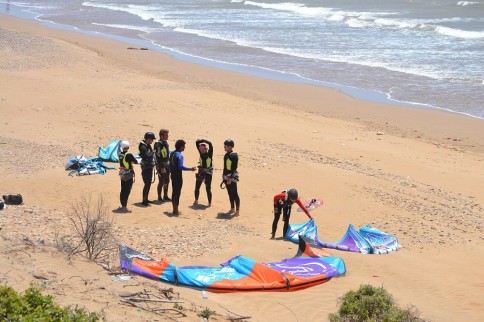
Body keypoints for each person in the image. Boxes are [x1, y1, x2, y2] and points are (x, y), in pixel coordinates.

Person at [169, 139, 196, 215]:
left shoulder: (172, 153)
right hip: (178, 176)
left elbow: (169, 165)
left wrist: (171, 172)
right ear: (181, 147)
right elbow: (180, 167)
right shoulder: (179, 155)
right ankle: (176, 210)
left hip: (173, 175)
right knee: (177, 192)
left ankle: (174, 209)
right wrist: (190, 169)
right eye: (184, 146)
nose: (184, 148)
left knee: (174, 192)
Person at [118, 141, 138, 212]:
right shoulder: (128, 154)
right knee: (127, 190)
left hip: (122, 172)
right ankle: (124, 207)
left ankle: (122, 204)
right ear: (128, 147)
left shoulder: (120, 154)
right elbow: (136, 161)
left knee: (123, 189)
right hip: (128, 174)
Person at [222, 139, 240, 216]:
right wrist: (223, 176)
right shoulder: (226, 155)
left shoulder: (234, 155)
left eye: (225, 146)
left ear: (230, 147)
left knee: (235, 193)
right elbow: (225, 167)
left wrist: (230, 178)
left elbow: (234, 168)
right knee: (229, 193)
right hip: (226, 176)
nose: (224, 147)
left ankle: (237, 211)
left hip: (231, 176)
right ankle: (232, 208)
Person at [194, 139, 213, 207]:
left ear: (206, 149)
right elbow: (197, 143)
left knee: (208, 188)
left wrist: (204, 140)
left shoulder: (209, 154)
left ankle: (209, 203)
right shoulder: (201, 153)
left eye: (203, 149)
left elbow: (210, 144)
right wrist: (200, 141)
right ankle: (196, 200)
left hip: (208, 173)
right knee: (197, 187)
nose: (201, 151)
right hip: (201, 172)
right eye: (201, 150)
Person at [139, 132, 156, 206]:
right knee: (147, 183)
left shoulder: (147, 145)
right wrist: (153, 152)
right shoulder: (143, 147)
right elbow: (148, 155)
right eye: (152, 139)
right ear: (148, 139)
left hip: (149, 166)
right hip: (146, 167)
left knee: (148, 183)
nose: (152, 141)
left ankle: (146, 198)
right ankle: (144, 200)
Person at [154, 129, 171, 202]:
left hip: (166, 164)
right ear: (161, 135)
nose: (167, 136)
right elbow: (157, 156)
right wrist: (161, 167)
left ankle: (165, 196)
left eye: (167, 135)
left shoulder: (165, 143)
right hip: (161, 166)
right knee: (161, 181)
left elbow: (167, 155)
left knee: (167, 180)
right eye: (166, 135)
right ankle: (159, 197)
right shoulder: (158, 144)